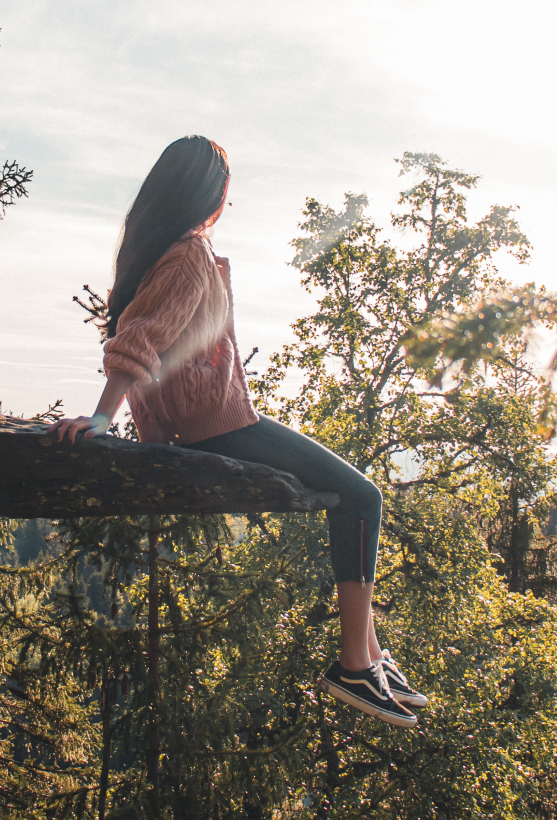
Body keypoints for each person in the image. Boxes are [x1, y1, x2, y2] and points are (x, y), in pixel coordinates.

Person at [48, 135, 426, 727]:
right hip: (214, 427)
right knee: (362, 496)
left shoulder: (161, 252)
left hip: (201, 422)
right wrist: (102, 417)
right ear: (212, 194)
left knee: (355, 496)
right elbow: (140, 336)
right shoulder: (190, 254)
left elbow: (138, 329)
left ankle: (373, 655)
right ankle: (355, 663)